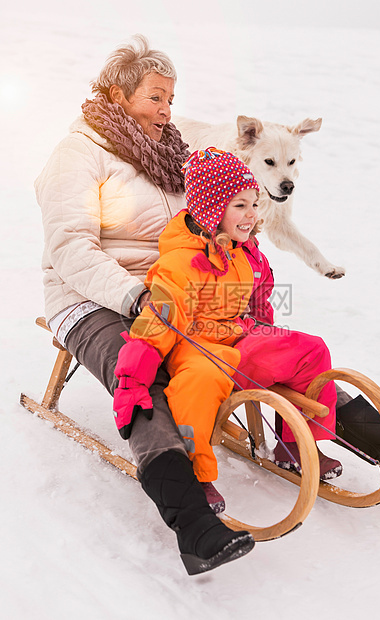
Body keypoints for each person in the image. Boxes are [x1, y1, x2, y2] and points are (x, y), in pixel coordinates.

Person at [35, 35, 255, 576]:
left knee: (269, 346)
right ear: (117, 94)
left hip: (179, 288)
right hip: (94, 297)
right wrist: (135, 297)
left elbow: (203, 220)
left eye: (171, 100)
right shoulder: (78, 154)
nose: (166, 111)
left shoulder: (173, 154)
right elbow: (70, 247)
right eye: (155, 97)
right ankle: (194, 526)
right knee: (145, 374)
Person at [113, 147, 343, 511]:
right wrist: (131, 381)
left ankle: (296, 444)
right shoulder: (179, 264)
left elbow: (258, 300)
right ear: (211, 209)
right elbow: (157, 321)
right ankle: (196, 474)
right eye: (240, 205)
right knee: (199, 383)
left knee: (311, 349)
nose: (252, 214)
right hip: (196, 349)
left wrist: (266, 332)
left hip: (238, 340)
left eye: (254, 204)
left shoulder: (240, 252)